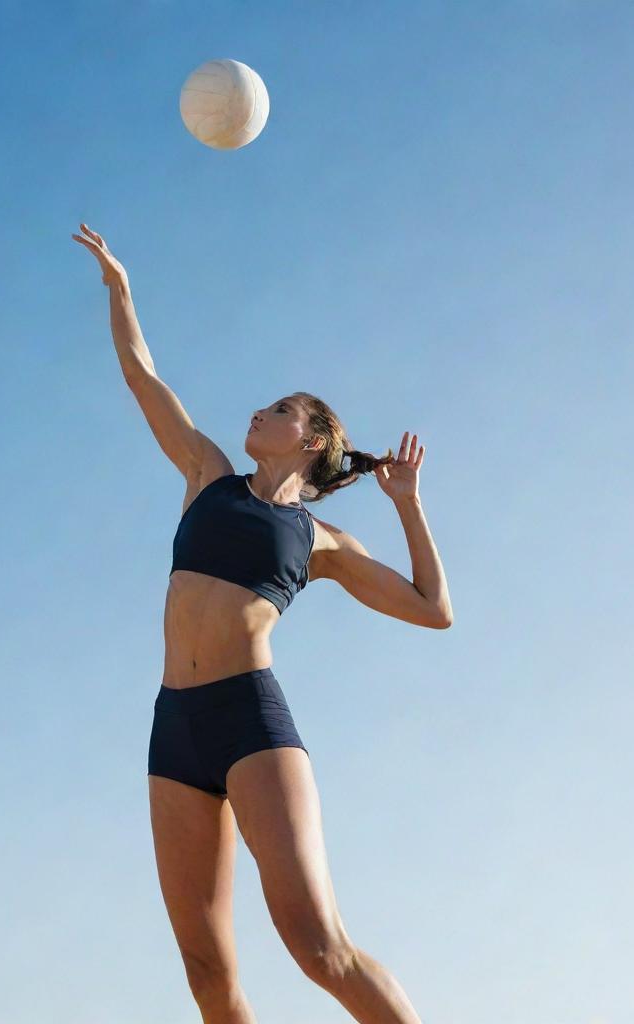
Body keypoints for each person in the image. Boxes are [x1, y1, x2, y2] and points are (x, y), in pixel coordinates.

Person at [72, 222, 452, 1024]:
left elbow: (433, 610)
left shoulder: (321, 539)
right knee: (207, 972)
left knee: (320, 949)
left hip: (249, 721)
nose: (258, 409)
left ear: (312, 442)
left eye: (279, 409)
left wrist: (410, 510)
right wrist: (121, 291)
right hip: (173, 725)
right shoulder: (207, 472)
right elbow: (143, 376)